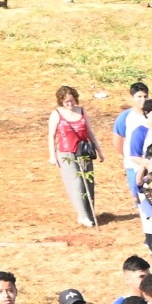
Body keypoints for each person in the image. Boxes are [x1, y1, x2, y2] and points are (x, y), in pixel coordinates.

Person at [47, 86, 102, 228]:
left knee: (88, 183)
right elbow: (51, 135)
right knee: (76, 183)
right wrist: (52, 156)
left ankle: (90, 214)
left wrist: (99, 150)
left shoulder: (81, 111)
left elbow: (89, 132)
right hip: (66, 153)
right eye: (66, 101)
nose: (69, 103)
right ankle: (82, 216)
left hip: (83, 152)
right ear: (61, 101)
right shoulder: (56, 114)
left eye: (71, 100)